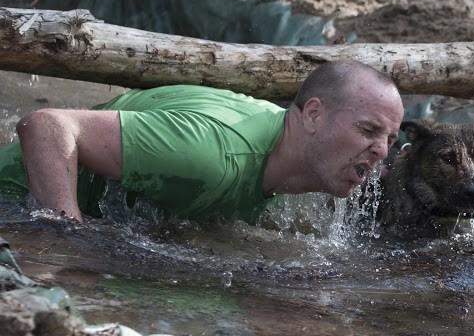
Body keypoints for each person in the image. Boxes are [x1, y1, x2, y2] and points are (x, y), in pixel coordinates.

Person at [0, 60, 404, 222]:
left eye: (390, 138)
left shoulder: (287, 151)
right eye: (369, 131)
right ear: (313, 114)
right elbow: (47, 127)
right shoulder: (212, 153)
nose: (382, 151)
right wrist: (65, 241)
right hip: (11, 199)